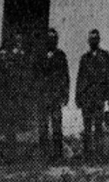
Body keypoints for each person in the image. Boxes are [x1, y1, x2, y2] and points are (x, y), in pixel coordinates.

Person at [32, 28, 70, 160]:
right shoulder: (39, 56)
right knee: (43, 126)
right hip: (43, 96)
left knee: (56, 126)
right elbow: (35, 76)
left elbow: (65, 77)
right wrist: (37, 93)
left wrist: (65, 95)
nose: (51, 41)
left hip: (55, 97)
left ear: (56, 40)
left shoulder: (61, 56)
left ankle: (57, 154)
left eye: (54, 38)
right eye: (49, 38)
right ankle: (43, 153)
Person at [76, 29, 109, 160]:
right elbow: (80, 79)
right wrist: (78, 97)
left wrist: (108, 98)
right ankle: (87, 153)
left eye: (96, 38)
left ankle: (99, 154)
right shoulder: (84, 59)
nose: (93, 41)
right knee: (87, 127)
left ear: (99, 40)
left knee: (98, 126)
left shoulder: (104, 56)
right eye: (91, 39)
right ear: (88, 41)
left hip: (99, 97)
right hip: (87, 97)